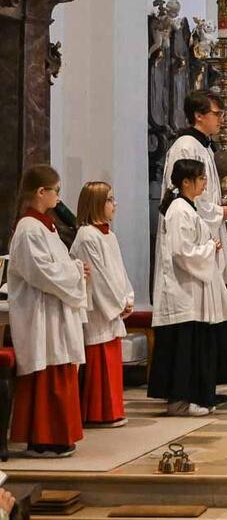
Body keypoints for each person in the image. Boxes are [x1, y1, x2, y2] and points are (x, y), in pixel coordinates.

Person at [160, 90, 227, 404]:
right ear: (198, 116)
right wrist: (219, 212)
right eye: (217, 113)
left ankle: (205, 386)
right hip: (194, 243)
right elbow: (188, 193)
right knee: (194, 320)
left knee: (209, 319)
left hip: (205, 236)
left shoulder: (202, 145)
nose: (222, 119)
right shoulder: (185, 147)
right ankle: (189, 391)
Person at [8, 165, 88, 457]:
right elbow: (41, 272)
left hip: (54, 309)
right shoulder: (29, 228)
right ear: (41, 192)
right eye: (55, 190)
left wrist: (77, 270)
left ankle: (58, 435)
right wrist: (76, 273)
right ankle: (42, 438)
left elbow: (58, 266)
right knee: (47, 373)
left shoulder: (46, 226)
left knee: (60, 368)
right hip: (41, 313)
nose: (58, 197)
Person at [150, 159, 227, 417]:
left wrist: (209, 247)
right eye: (201, 178)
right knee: (184, 348)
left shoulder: (189, 207)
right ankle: (181, 401)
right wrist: (211, 248)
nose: (205, 183)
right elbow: (181, 251)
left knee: (195, 345)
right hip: (183, 290)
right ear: (186, 182)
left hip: (193, 290)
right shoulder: (178, 210)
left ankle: (196, 397)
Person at [69, 182, 134, 427]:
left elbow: (119, 272)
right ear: (96, 204)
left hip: (114, 306)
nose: (114, 204)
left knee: (111, 358)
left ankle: (112, 410)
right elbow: (99, 278)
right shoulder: (87, 236)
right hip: (98, 307)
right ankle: (97, 412)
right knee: (99, 359)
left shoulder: (109, 235)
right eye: (109, 200)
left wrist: (127, 298)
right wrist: (117, 304)